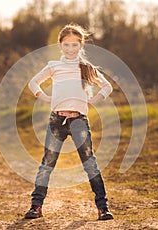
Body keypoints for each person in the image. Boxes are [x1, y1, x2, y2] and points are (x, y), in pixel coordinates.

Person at [25, 23, 114, 221]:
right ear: (60, 46)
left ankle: (103, 208)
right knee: (47, 163)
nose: (70, 49)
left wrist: (92, 101)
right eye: (66, 45)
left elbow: (107, 86)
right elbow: (33, 82)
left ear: (81, 46)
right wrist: (45, 98)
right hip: (57, 121)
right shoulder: (53, 66)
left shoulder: (86, 68)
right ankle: (36, 207)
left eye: (75, 45)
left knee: (90, 164)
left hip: (79, 122)